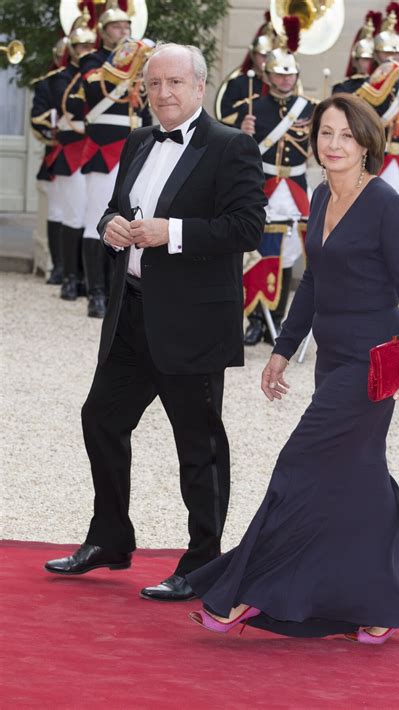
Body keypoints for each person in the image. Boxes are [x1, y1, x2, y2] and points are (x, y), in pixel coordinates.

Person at [187, 93, 399, 645]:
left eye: (347, 135)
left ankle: (246, 593)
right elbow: (315, 282)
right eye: (326, 133)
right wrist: (282, 350)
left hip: (375, 361)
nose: (335, 144)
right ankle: (386, 603)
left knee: (299, 462)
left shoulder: (388, 205)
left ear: (367, 143)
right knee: (361, 476)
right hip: (332, 357)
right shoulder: (321, 197)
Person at [44, 44, 267, 603]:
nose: (163, 93)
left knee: (198, 444)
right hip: (131, 313)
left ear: (198, 86)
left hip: (192, 322)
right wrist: (114, 224)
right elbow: (115, 207)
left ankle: (203, 563)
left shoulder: (232, 146)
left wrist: (176, 232)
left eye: (174, 82)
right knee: (101, 418)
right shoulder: (140, 141)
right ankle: (111, 539)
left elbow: (246, 228)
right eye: (154, 84)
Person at [79, 0, 151, 318]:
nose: (122, 31)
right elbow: (96, 90)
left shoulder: (141, 61)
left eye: (126, 27)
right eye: (115, 27)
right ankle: (95, 292)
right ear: (103, 32)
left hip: (135, 146)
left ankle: (117, 289)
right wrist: (128, 59)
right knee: (96, 217)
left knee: (131, 218)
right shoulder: (91, 60)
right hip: (104, 146)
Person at [240, 47, 315, 345]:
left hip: (295, 189)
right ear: (267, 76)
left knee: (288, 255)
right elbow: (240, 153)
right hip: (266, 187)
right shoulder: (253, 107)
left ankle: (279, 318)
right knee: (260, 253)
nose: (286, 80)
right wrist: (242, 131)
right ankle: (256, 320)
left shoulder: (309, 108)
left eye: (290, 74)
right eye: (280, 74)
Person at [47, 11, 96, 302]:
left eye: (90, 47)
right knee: (74, 215)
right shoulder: (61, 78)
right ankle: (69, 276)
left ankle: (90, 278)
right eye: (81, 47)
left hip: (101, 152)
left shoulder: (100, 74)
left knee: (94, 216)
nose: (86, 52)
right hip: (75, 151)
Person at [357, 6, 399, 208]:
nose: (392, 58)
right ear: (377, 54)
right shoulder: (367, 87)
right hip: (376, 160)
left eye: (396, 53)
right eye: (387, 53)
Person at [30, 37, 68, 285]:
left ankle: (80, 272)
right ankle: (60, 267)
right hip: (61, 154)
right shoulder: (48, 83)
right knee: (57, 212)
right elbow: (39, 120)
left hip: (93, 155)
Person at [217, 14, 274, 125]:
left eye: (271, 56)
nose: (267, 60)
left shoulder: (278, 85)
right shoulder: (238, 84)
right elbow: (225, 116)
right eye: (263, 55)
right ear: (253, 55)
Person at [332, 14, 378, 95]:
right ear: (355, 61)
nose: (369, 64)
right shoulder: (343, 87)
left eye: (371, 60)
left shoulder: (379, 87)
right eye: (365, 59)